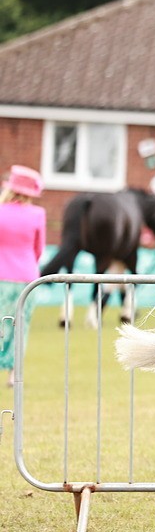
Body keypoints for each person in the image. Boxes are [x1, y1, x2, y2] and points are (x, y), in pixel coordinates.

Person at [0, 165, 46, 387]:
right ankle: (13, 373)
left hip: (1, 276)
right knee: (21, 324)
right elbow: (39, 249)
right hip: (27, 277)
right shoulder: (38, 214)